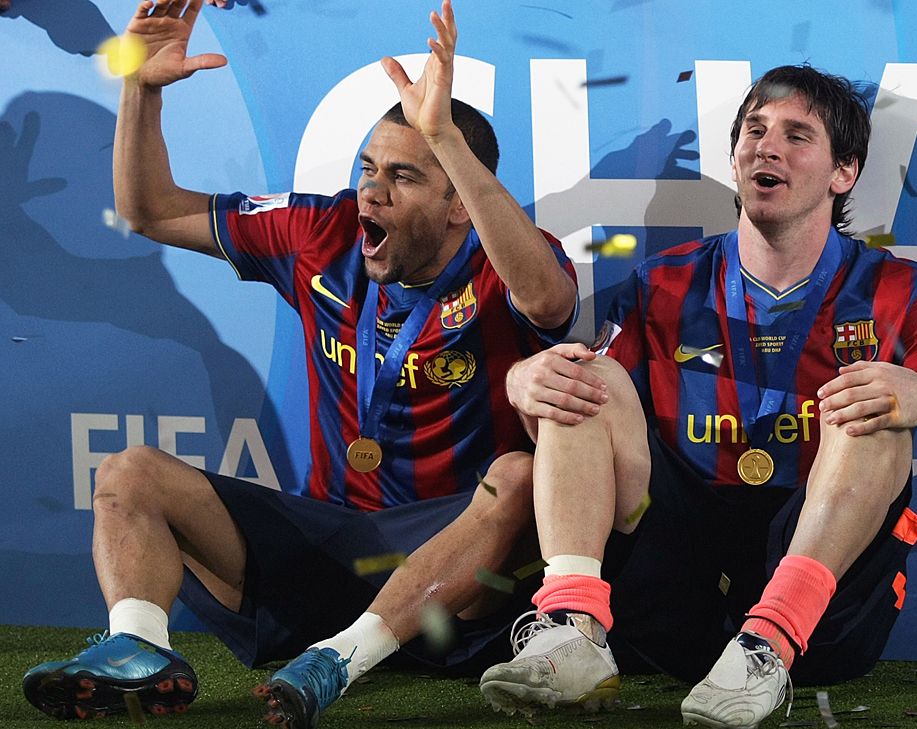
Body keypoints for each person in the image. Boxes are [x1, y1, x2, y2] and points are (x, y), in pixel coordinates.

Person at [22, 0, 577, 726]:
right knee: (129, 473)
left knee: (520, 477)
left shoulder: (505, 257)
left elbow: (547, 301)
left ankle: (341, 659)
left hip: (453, 571)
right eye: (368, 168)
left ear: (458, 204)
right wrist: (141, 89)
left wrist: (444, 134)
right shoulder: (323, 230)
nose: (371, 190)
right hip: (326, 542)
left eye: (404, 176)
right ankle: (139, 647)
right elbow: (151, 210)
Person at [479, 64, 917, 728]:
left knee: (873, 404)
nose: (766, 147)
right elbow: (580, 434)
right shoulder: (662, 282)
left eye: (796, 135)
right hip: (678, 595)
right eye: (755, 130)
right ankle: (572, 629)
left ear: (844, 173)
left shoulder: (897, 288)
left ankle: (765, 647)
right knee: (585, 375)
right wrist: (527, 381)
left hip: (821, 617)